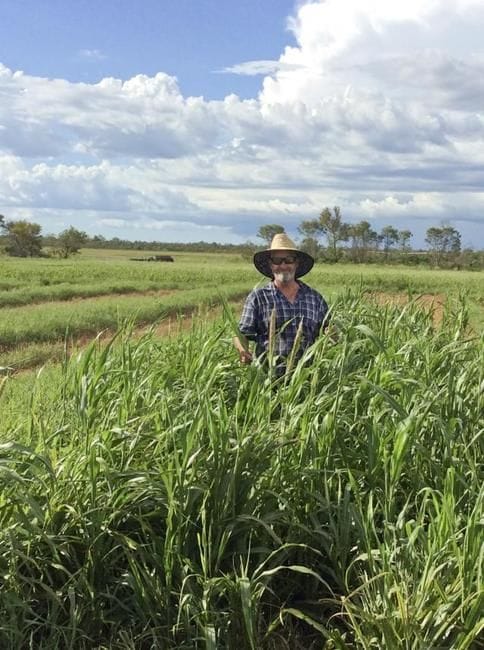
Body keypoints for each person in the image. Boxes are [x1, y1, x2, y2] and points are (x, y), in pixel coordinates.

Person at [233, 233, 330, 375]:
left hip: (306, 383)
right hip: (267, 382)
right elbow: (241, 334)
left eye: (289, 260)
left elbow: (330, 331)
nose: (283, 265)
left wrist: (332, 335)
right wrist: (242, 350)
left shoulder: (314, 298)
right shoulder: (258, 298)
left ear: (296, 263)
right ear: (271, 265)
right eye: (277, 260)